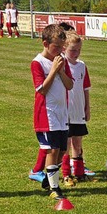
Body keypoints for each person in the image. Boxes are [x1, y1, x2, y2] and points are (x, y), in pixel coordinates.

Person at [30, 24, 73, 199]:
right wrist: (53, 70)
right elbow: (41, 89)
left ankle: (49, 179)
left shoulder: (62, 60)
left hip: (62, 113)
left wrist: (61, 71)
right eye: (56, 46)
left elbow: (70, 85)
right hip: (46, 115)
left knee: (62, 150)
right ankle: (55, 189)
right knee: (52, 150)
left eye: (62, 47)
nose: (59, 50)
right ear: (45, 43)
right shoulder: (37, 63)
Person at [60, 31, 95, 186]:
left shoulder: (82, 66)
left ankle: (79, 173)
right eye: (72, 50)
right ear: (64, 48)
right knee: (66, 145)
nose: (76, 53)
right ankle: (67, 174)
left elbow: (85, 89)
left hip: (78, 111)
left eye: (78, 50)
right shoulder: (61, 65)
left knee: (78, 143)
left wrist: (87, 108)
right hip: (65, 112)